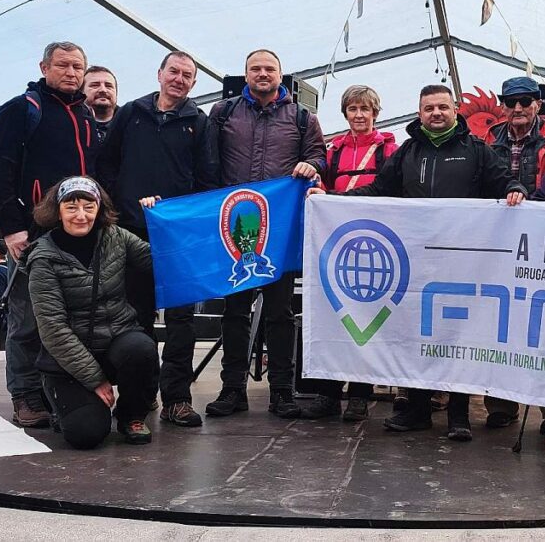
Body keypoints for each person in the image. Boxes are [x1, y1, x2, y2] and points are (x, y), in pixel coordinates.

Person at [312, 84, 526, 441]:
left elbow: (503, 181)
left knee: (459, 336)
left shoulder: (476, 150)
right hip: (416, 262)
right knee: (416, 335)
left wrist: (515, 189)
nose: (436, 113)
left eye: (442, 107)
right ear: (420, 113)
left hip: (462, 262)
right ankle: (417, 410)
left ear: (454, 110)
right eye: (429, 108)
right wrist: (331, 199)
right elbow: (378, 190)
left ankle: (459, 415)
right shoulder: (408, 152)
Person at [96, 51, 219, 428]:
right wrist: (121, 204)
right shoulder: (130, 113)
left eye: (187, 75)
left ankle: (177, 398)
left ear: (193, 83)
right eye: (174, 72)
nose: (179, 79)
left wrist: (184, 217)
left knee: (182, 319)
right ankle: (142, 392)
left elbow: (207, 179)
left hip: (178, 237)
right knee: (137, 316)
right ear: (160, 73)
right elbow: (107, 164)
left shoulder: (199, 122)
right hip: (131, 230)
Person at [205, 49, 326, 420]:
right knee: (234, 312)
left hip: (278, 231)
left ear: (280, 74)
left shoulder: (303, 117)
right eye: (255, 68)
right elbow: (208, 163)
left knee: (280, 313)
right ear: (245, 75)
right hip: (233, 228)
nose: (262, 73)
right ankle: (232, 389)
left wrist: (311, 165)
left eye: (269, 68)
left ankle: (282, 392)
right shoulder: (222, 113)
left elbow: (319, 156)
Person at [0, 41, 99, 428]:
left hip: (76, 235)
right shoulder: (22, 109)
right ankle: (25, 395)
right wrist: (12, 228)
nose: (71, 72)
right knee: (27, 318)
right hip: (31, 234)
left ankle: (54, 391)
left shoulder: (85, 116)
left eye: (77, 67)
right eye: (62, 65)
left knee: (66, 318)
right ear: (44, 67)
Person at [25, 176, 157, 448]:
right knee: (86, 434)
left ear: (99, 208)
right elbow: (52, 327)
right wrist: (95, 380)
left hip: (116, 339)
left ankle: (132, 416)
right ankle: (63, 403)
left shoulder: (116, 236)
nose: (81, 215)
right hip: (68, 360)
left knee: (142, 348)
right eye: (71, 207)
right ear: (57, 211)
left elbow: (160, 261)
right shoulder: (43, 258)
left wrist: (156, 220)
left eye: (89, 207)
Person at [299, 85, 398, 422]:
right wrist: (318, 189)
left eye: (365, 109)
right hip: (336, 242)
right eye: (353, 109)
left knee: (366, 321)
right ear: (345, 113)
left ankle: (359, 394)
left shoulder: (389, 149)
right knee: (332, 318)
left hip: (373, 243)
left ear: (375, 113)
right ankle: (327, 394)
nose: (359, 115)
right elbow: (323, 185)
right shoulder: (334, 150)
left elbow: (393, 189)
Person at [480, 76, 545, 432]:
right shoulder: (488, 140)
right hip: (501, 239)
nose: (517, 108)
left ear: (538, 103)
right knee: (500, 317)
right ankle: (500, 403)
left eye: (525, 101)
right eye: (510, 102)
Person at [83, 67, 119, 142]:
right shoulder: (70, 125)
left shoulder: (131, 125)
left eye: (108, 86)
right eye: (95, 85)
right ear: (81, 92)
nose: (103, 90)